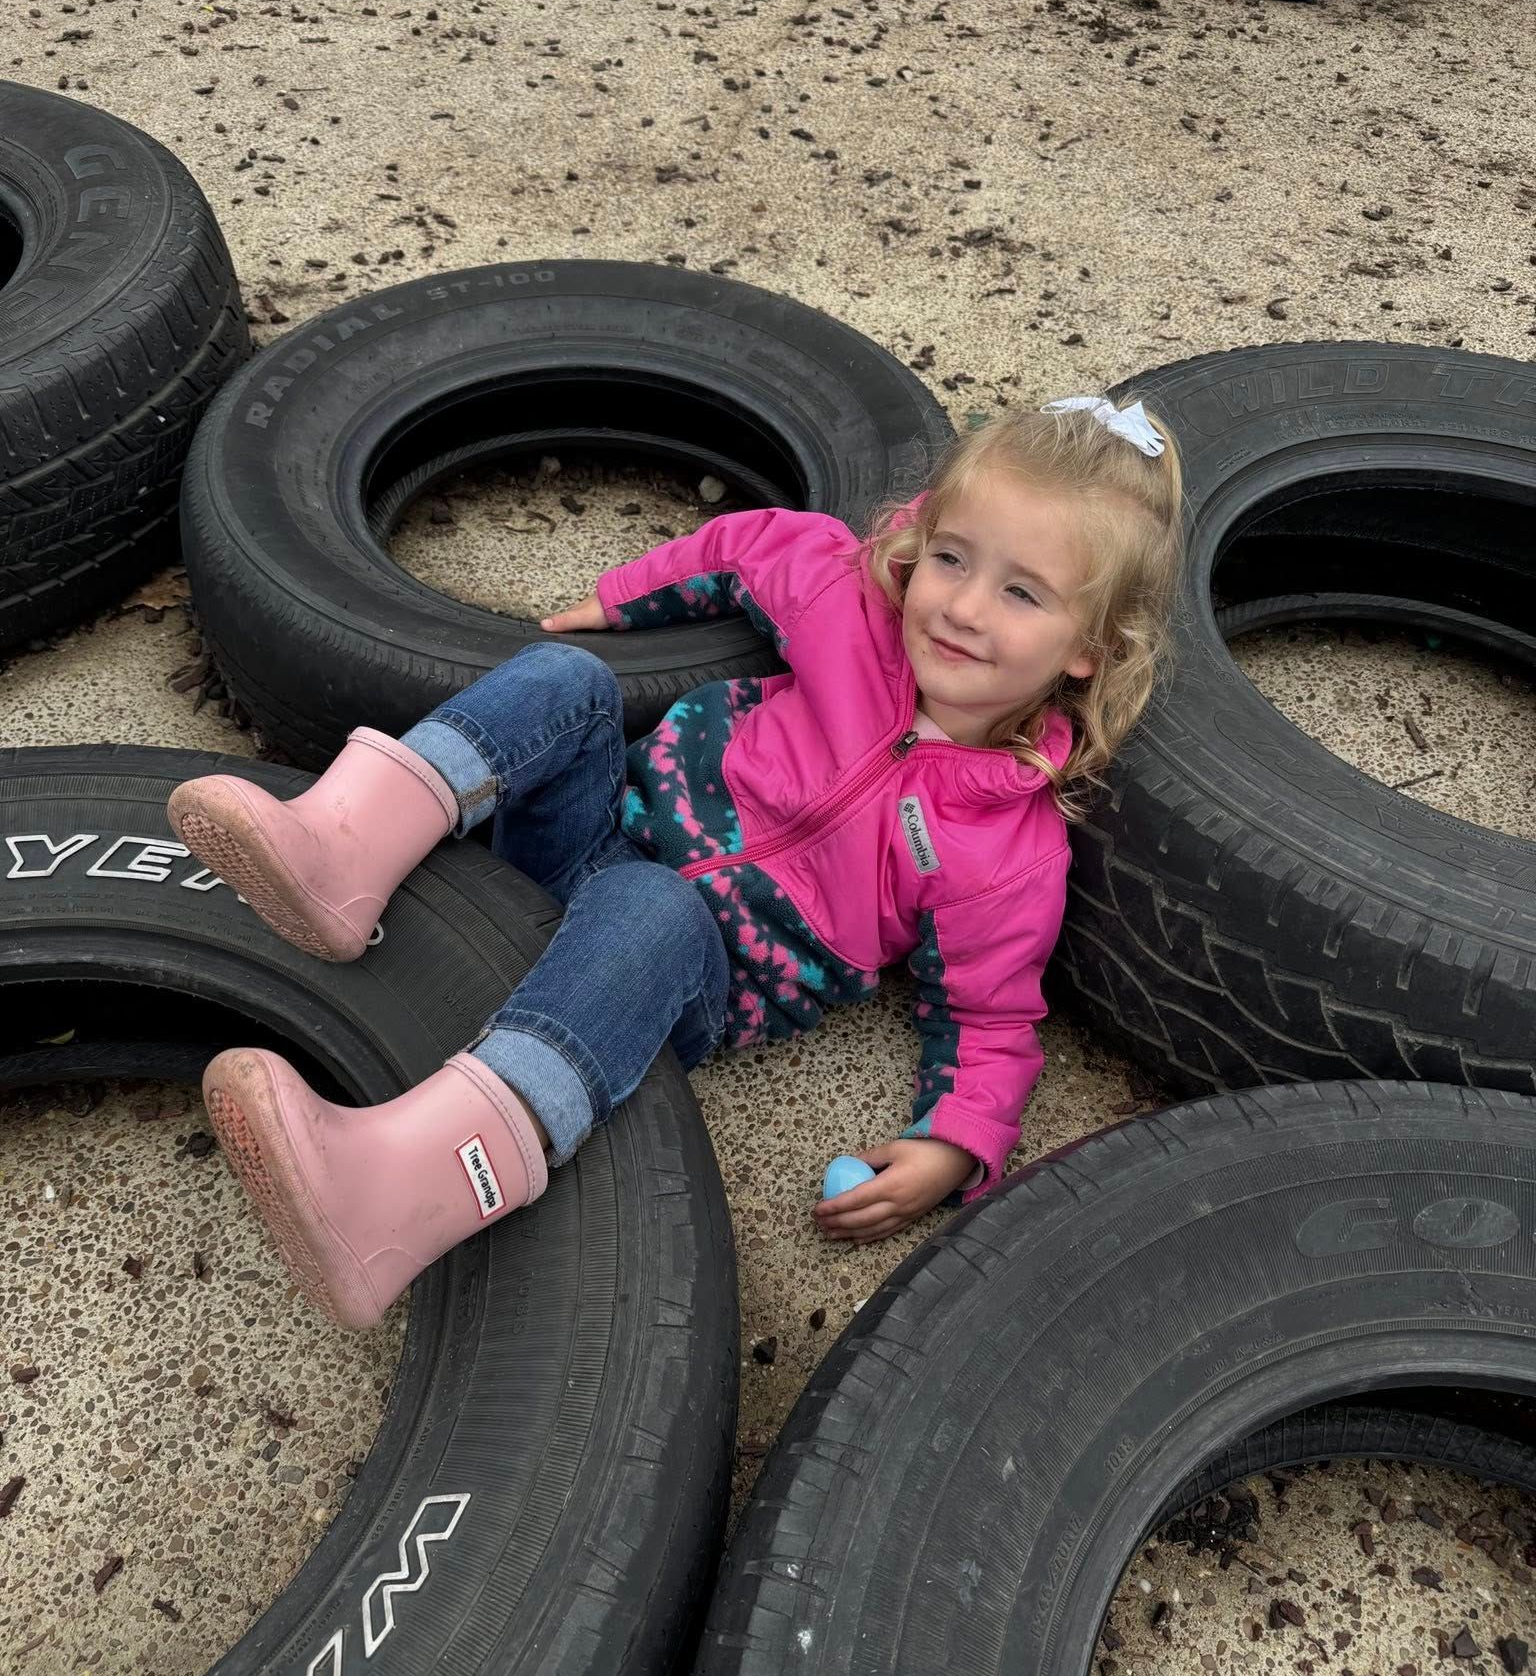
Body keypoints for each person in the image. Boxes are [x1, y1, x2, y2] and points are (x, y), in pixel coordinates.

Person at [167, 395, 1183, 1330]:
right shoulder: (848, 605)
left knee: (648, 909)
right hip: (598, 841)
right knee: (568, 679)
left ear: (1088, 646)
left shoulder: (1005, 845)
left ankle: (398, 1192)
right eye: (953, 558)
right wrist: (627, 599)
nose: (962, 607)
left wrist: (955, 1143)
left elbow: (988, 1013)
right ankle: (335, 854)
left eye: (1020, 592)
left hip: (692, 971)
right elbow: (748, 549)